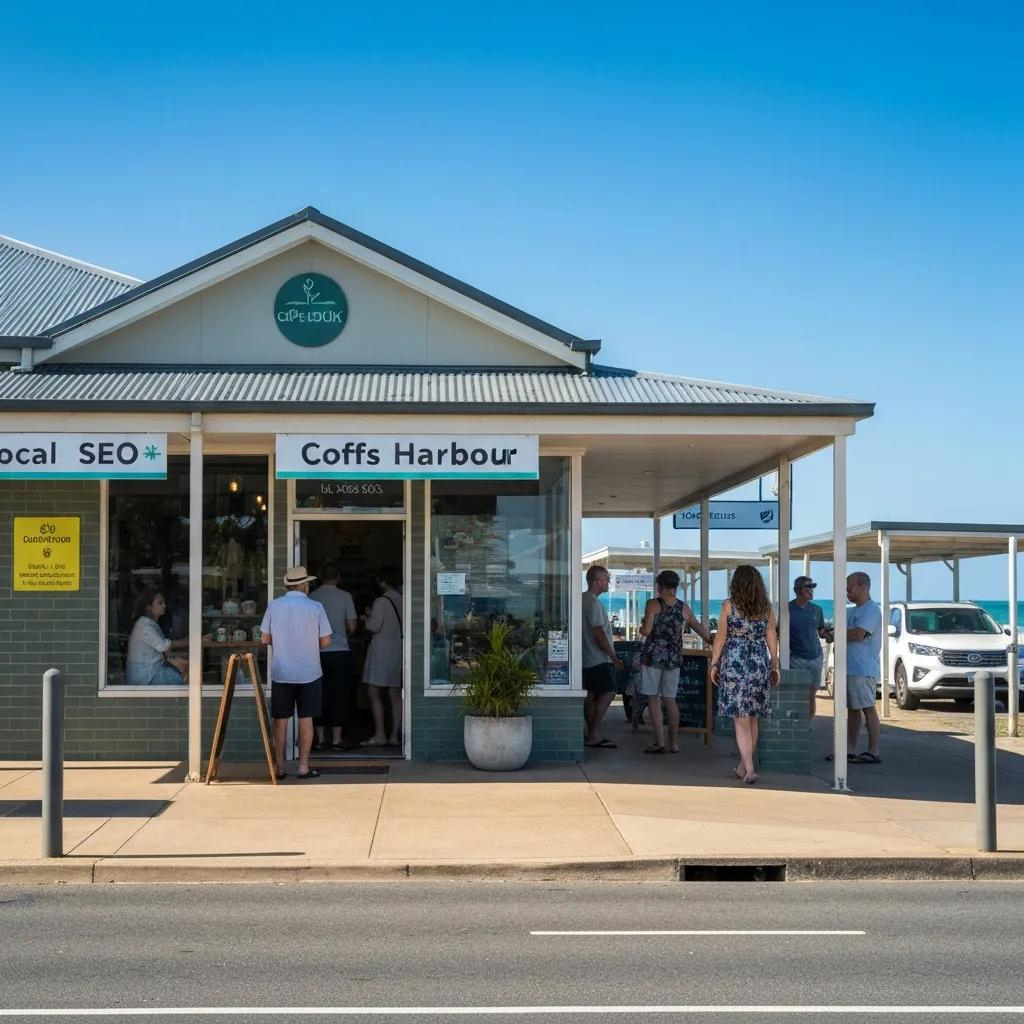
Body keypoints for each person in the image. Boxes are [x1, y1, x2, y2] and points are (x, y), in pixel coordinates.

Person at [259, 566, 333, 780]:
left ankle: (280, 767)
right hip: (309, 670)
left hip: (282, 670)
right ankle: (303, 766)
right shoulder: (315, 607)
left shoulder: (274, 606)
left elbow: (264, 639)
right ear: (303, 585)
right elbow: (326, 641)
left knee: (280, 720)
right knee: (306, 718)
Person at [710, 564, 780, 784]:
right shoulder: (766, 607)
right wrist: (774, 663)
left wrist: (714, 663)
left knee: (740, 719)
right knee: (752, 719)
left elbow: (721, 637)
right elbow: (771, 636)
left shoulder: (729, 606)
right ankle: (742, 766)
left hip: (735, 662)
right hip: (758, 661)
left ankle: (749, 769)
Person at [637, 569, 713, 754]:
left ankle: (659, 741)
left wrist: (642, 626)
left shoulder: (653, 604)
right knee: (670, 700)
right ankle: (673, 743)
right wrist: (714, 641)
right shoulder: (683, 608)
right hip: (673, 658)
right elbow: (702, 631)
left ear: (660, 587)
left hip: (653, 657)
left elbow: (646, 631)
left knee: (654, 699)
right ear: (676, 587)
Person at [832, 571, 883, 765]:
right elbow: (842, 631)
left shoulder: (872, 610)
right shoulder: (851, 610)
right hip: (848, 668)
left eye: (850, 587)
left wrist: (837, 634)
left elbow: (858, 634)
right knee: (852, 709)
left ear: (864, 587)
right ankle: (850, 749)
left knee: (867, 708)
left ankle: (873, 750)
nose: (847, 591)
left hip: (863, 669)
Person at [309, 562, 358, 751]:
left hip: (317, 652)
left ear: (320, 576)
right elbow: (352, 627)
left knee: (319, 693)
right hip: (340, 651)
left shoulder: (312, 597)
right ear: (338, 577)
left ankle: (321, 738)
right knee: (340, 694)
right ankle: (337, 739)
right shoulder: (345, 596)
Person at [581, 565, 624, 749]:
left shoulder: (582, 599)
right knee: (609, 692)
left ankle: (593, 734)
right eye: (606, 579)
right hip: (598, 658)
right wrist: (613, 656)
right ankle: (594, 733)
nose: (608, 582)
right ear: (597, 581)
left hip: (585, 658)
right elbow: (598, 633)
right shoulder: (592, 602)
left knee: (591, 696)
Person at [361, 565, 403, 747]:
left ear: (383, 581)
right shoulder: (402, 599)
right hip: (398, 648)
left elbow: (374, 626)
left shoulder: (381, 601)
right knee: (395, 693)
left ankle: (380, 734)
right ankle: (395, 736)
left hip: (381, 651)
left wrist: (366, 618)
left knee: (373, 691)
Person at [125, 589, 191, 685]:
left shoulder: (151, 623)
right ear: (149, 607)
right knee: (181, 682)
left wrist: (175, 660)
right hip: (146, 676)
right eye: (160, 603)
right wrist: (189, 641)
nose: (164, 605)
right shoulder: (144, 626)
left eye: (164, 602)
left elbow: (163, 651)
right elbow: (162, 646)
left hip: (152, 670)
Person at [789, 575, 828, 719]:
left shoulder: (817, 610)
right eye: (808, 588)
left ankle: (808, 722)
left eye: (812, 588)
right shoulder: (787, 609)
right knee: (796, 691)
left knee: (812, 692)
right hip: (796, 657)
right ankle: (796, 721)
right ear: (798, 590)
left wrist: (829, 634)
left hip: (815, 656)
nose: (811, 591)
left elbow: (821, 631)